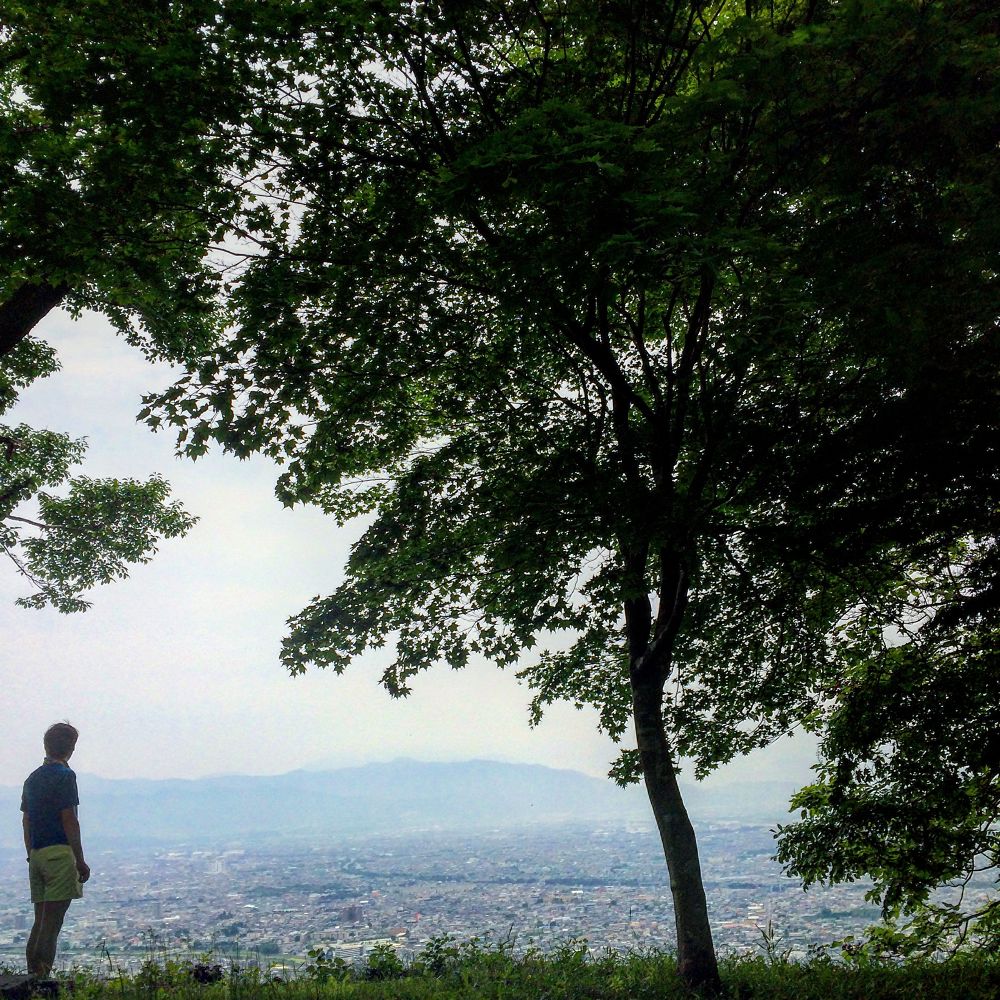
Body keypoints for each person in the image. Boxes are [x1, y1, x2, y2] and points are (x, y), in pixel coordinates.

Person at [21, 722, 91, 979]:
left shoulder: (32, 778)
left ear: (46, 745)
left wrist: (31, 853)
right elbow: (69, 818)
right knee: (52, 926)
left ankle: (30, 979)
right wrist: (80, 860)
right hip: (59, 854)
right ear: (71, 748)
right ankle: (41, 981)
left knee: (39, 922)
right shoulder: (65, 776)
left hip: (37, 854)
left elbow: (26, 820)